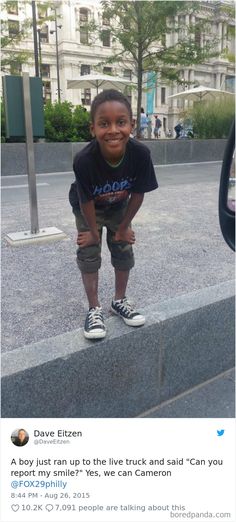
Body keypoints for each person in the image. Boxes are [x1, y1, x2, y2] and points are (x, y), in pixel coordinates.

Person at [69, 89, 158, 339]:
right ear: (93, 129)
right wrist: (93, 233)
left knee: (122, 247)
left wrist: (123, 227)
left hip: (120, 205)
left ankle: (119, 301)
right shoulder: (84, 160)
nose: (113, 130)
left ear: (131, 124)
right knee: (88, 251)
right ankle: (94, 308)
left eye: (121, 122)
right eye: (104, 123)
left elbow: (138, 194)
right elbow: (85, 199)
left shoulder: (140, 154)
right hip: (89, 208)